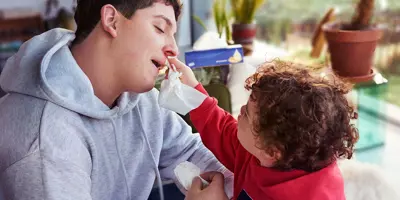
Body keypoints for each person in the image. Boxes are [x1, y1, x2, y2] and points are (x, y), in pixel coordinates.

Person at [0, 0, 232, 199]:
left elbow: (194, 154)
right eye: (160, 28)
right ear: (112, 20)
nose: (173, 49)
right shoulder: (45, 141)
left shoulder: (140, 99)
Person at [169, 58, 360, 200]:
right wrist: (192, 89)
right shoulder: (260, 150)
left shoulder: (317, 195)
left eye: (248, 114)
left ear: (271, 151)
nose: (241, 110)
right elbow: (223, 131)